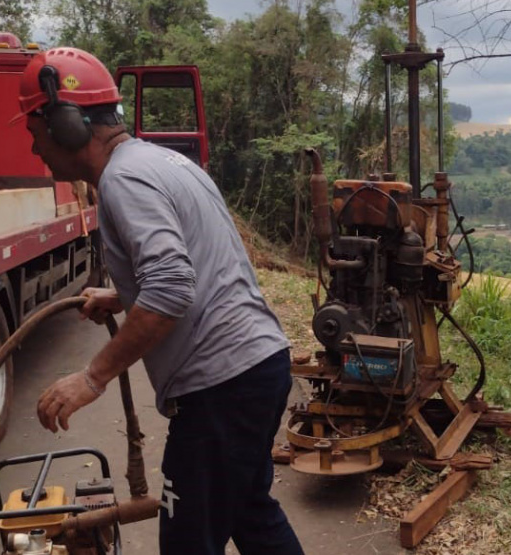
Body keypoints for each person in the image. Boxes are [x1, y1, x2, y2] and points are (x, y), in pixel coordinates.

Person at [15, 46, 305, 555]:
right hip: (256, 369)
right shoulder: (164, 161)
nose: (35, 147)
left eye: (35, 131)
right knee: (251, 515)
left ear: (67, 125)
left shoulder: (123, 181)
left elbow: (172, 287)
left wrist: (92, 377)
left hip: (221, 389)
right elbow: (201, 264)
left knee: (188, 539)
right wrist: (124, 295)